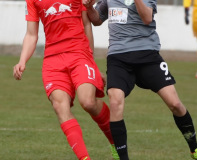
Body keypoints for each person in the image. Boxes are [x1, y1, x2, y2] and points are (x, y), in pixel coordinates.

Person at [83, 0, 197, 159]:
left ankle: (194, 149)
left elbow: (147, 17)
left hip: (147, 55)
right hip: (118, 58)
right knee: (115, 100)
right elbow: (97, 20)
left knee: (175, 104)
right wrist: (90, 7)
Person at [13, 0, 119, 160]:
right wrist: (22, 60)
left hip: (79, 53)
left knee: (88, 102)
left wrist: (91, 60)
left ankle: (116, 143)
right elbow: (31, 34)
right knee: (59, 106)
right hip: (52, 59)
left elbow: (86, 24)